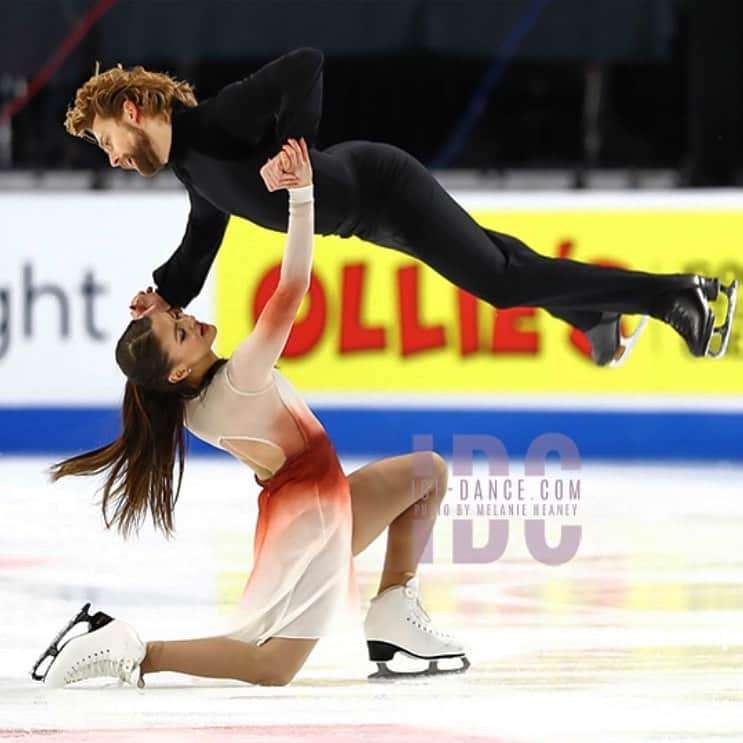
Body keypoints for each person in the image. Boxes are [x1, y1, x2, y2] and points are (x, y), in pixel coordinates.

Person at [33, 138, 468, 689]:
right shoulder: (242, 377)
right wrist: (303, 195)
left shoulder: (189, 401)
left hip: (317, 499)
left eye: (180, 318)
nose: (190, 319)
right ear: (175, 370)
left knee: (426, 473)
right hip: (310, 517)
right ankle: (134, 650)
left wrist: (159, 314)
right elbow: (292, 288)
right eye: (182, 330)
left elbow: (170, 356)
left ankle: (393, 612)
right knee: (270, 664)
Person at [63, 49, 737, 366]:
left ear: (131, 110)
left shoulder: (220, 122)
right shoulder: (193, 169)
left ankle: (678, 294)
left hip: (384, 186)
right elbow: (197, 246)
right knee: (498, 261)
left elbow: (304, 65)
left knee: (500, 281)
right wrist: (164, 295)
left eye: (106, 141)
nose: (113, 155)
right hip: (369, 215)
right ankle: (594, 316)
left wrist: (295, 146)